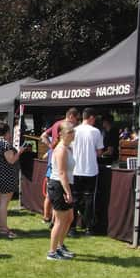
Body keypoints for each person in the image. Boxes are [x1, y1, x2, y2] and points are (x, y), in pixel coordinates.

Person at [40, 108, 79, 223]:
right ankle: (48, 218)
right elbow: (43, 136)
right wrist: (52, 147)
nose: (77, 122)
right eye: (77, 119)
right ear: (71, 116)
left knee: (51, 192)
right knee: (51, 192)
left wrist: (51, 147)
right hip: (57, 163)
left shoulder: (57, 124)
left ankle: (50, 219)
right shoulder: (61, 125)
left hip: (55, 160)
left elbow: (43, 136)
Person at [70, 107, 103, 236]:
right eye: (94, 118)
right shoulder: (95, 132)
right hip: (90, 170)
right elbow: (100, 151)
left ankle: (72, 227)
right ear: (91, 118)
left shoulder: (74, 130)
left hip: (76, 169)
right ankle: (89, 227)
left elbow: (70, 148)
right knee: (89, 199)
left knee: (75, 199)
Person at [46, 121, 76, 260]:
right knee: (59, 220)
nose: (73, 134)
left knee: (69, 218)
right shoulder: (61, 149)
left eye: (73, 131)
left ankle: (60, 246)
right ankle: (52, 252)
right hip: (58, 186)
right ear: (62, 134)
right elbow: (62, 173)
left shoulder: (68, 148)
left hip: (65, 184)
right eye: (70, 132)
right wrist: (68, 192)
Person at [0, 122, 27, 238]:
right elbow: (11, 160)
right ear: (7, 132)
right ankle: (4, 228)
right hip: (6, 175)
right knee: (4, 201)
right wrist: (20, 151)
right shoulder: (5, 144)